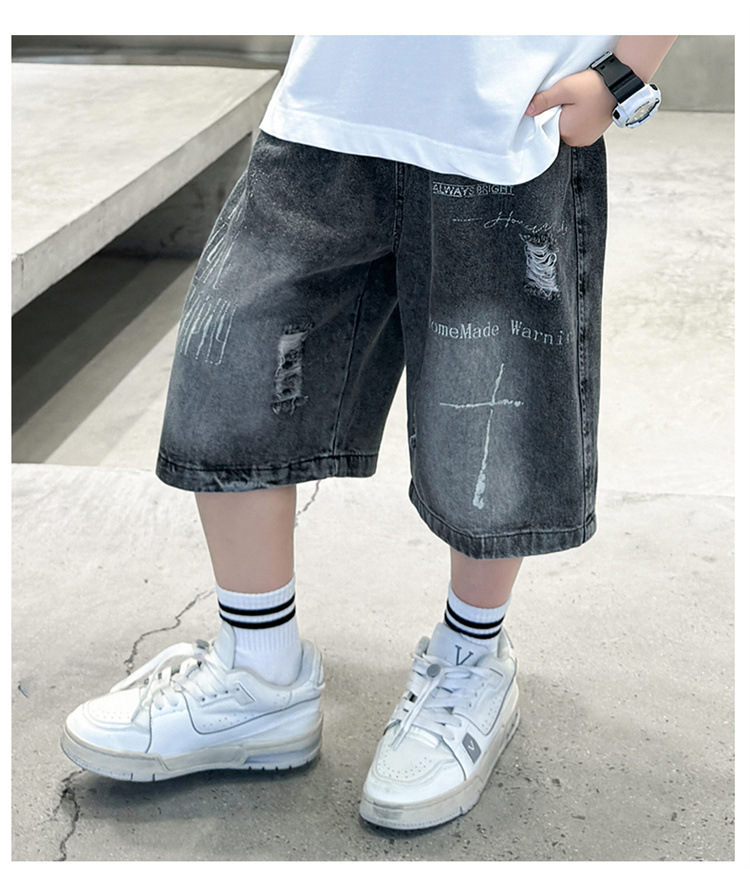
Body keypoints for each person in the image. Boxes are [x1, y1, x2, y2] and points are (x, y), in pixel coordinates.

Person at [60, 35, 677, 830]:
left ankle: (471, 661)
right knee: (235, 360)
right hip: (331, 98)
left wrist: (626, 74)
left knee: (490, 410)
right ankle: (260, 674)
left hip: (507, 111)